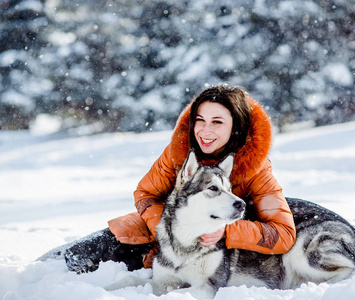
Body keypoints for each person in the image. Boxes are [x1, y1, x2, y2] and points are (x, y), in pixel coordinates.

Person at [39, 83, 296, 273]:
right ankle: (40, 269)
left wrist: (225, 231)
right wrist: (168, 230)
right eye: (200, 120)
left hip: (212, 248)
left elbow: (283, 233)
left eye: (217, 122)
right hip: (156, 232)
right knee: (80, 255)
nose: (205, 131)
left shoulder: (257, 169)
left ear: (236, 127)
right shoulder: (179, 152)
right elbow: (145, 194)